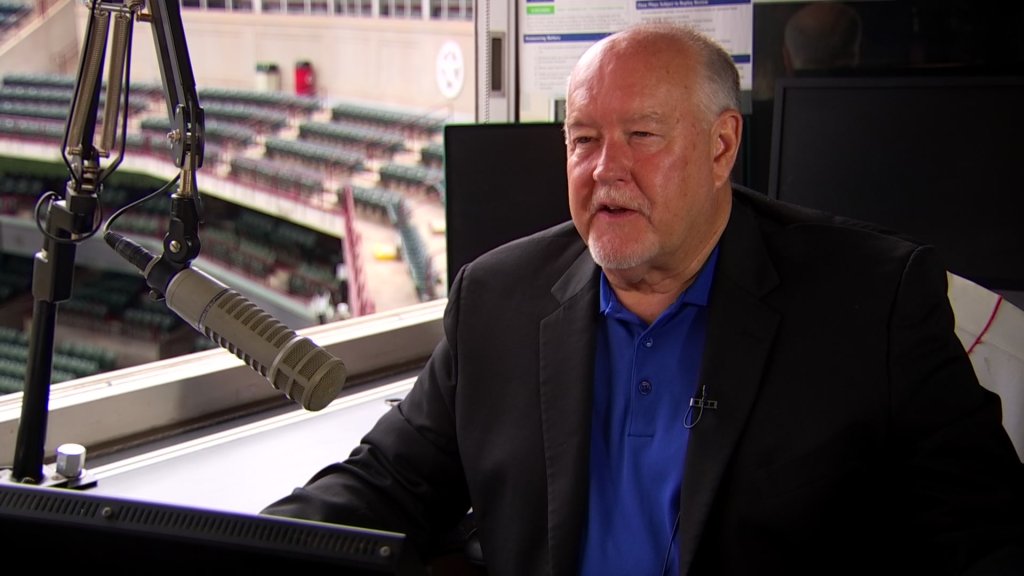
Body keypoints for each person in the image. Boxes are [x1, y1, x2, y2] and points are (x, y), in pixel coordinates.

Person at [262, 22, 1024, 575]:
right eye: (584, 139)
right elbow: (386, 484)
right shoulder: (496, 297)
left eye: (642, 136)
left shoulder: (873, 301)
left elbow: (987, 535)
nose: (603, 171)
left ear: (722, 146)